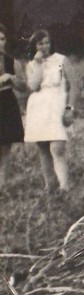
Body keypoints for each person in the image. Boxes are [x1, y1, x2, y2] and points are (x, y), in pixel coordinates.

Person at [24, 30, 72, 193]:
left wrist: (69, 109)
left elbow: (74, 86)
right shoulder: (31, 64)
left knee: (57, 147)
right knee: (43, 148)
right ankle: (50, 185)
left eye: (47, 42)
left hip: (57, 104)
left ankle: (64, 186)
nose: (44, 46)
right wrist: (37, 64)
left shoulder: (61, 60)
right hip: (38, 107)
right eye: (40, 43)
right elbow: (35, 86)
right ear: (34, 46)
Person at [0, 25, 24, 188]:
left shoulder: (11, 61)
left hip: (7, 100)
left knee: (6, 143)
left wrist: (11, 78)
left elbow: (24, 86)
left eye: (1, 39)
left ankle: (2, 182)